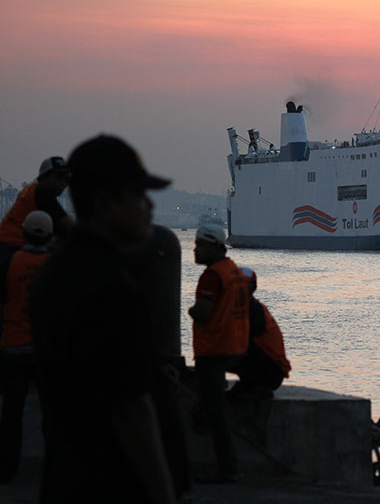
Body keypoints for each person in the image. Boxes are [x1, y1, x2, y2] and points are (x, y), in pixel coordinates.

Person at [29, 135, 181, 503]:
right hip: (112, 481)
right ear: (106, 204)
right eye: (138, 194)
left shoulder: (56, 272)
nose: (148, 206)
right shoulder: (111, 288)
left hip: (67, 476)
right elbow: (131, 409)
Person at [189, 224, 249, 482]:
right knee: (212, 408)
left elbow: (203, 311)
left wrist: (191, 311)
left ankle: (227, 468)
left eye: (200, 244)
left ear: (214, 246)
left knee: (215, 413)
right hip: (233, 346)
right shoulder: (233, 271)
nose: (195, 250)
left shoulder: (212, 276)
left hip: (214, 349)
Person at [0, 211, 52, 482]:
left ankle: (7, 469)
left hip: (13, 348)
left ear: (24, 234)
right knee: (52, 413)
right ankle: (55, 467)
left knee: (11, 414)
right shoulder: (54, 266)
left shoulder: (10, 263)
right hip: (45, 352)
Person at [227, 268, 291, 399]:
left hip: (270, 373)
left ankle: (254, 386)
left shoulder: (252, 309)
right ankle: (247, 384)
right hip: (270, 369)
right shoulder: (245, 307)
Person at [0, 157, 73, 259]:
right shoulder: (41, 193)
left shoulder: (31, 190)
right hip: (13, 248)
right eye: (59, 177)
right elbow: (66, 226)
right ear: (44, 177)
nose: (62, 183)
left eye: (66, 179)